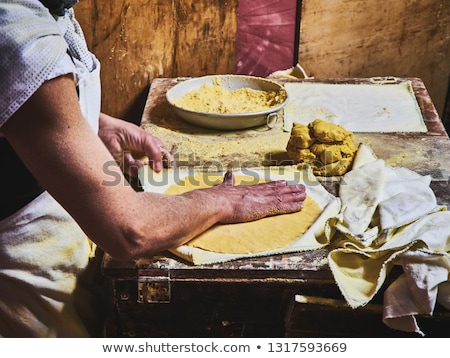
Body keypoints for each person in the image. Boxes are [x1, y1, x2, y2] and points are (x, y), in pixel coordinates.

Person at [0, 0, 306, 337]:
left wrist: (90, 125)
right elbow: (131, 230)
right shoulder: (16, 33)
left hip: (61, 245)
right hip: (24, 281)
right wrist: (223, 201)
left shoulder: (45, 7)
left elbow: (27, 113)